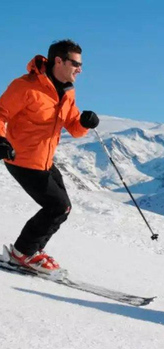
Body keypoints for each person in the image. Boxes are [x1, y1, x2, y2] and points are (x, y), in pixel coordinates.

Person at [0, 39, 99, 274]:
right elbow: (1, 113)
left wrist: (85, 123)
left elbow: (74, 127)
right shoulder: (26, 87)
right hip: (22, 159)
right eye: (75, 63)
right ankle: (22, 253)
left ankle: (31, 252)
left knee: (62, 208)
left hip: (45, 162)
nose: (80, 69)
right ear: (59, 61)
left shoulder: (66, 92)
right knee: (57, 206)